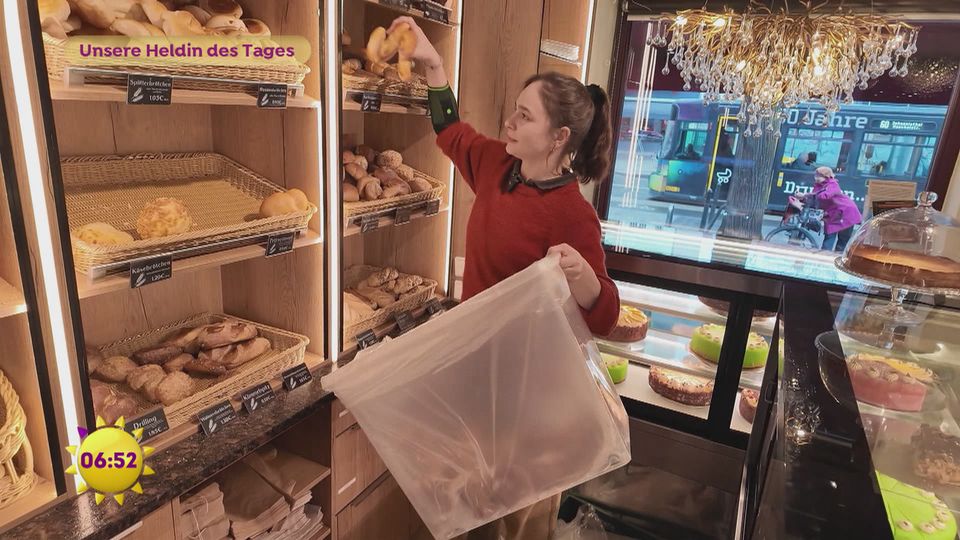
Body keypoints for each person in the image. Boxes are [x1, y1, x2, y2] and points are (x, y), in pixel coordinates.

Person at [390, 16, 621, 540]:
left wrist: (585, 278)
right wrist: (433, 65)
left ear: (559, 138)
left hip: (530, 397)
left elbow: (604, 316)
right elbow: (452, 132)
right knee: (474, 504)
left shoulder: (573, 215)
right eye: (514, 111)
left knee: (519, 515)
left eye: (524, 116)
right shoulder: (498, 165)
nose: (509, 123)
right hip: (476, 371)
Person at [798, 166, 862, 251]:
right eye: (815, 175)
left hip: (846, 213)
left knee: (842, 241)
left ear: (826, 177)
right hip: (834, 214)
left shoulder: (832, 184)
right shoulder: (818, 185)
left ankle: (833, 258)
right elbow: (815, 198)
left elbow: (825, 196)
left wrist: (806, 195)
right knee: (829, 236)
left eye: (819, 176)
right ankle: (825, 256)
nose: (816, 178)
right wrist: (802, 199)